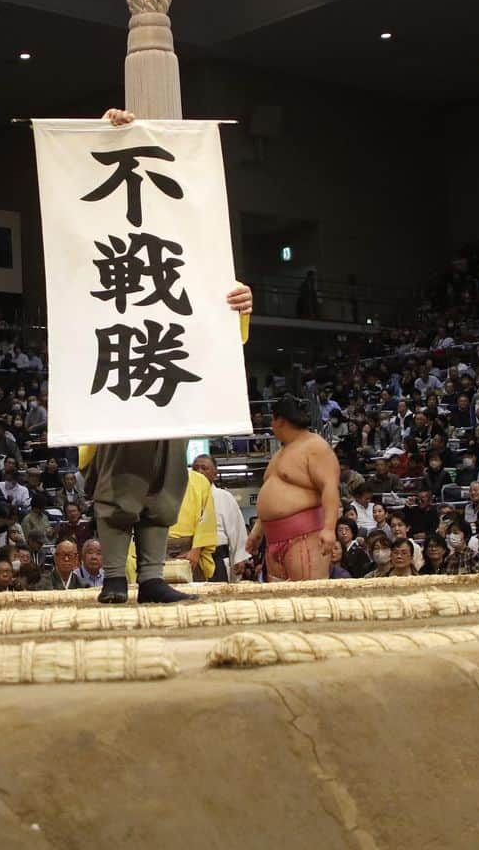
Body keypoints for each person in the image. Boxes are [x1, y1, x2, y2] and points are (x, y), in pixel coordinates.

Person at [81, 107, 254, 606]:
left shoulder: (188, 255)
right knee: (121, 486)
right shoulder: (104, 229)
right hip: (119, 370)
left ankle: (152, 576)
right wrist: (115, 133)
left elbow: (217, 340)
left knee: (164, 486)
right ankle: (115, 577)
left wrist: (238, 308)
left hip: (169, 376)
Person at [244, 396, 340, 582]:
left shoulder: (315, 446)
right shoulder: (280, 453)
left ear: (280, 420)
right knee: (283, 603)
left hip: (305, 537)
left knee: (308, 600)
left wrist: (329, 529)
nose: (271, 425)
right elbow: (271, 498)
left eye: (272, 420)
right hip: (273, 539)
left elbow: (329, 487)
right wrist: (257, 532)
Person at [192, 454, 248, 582]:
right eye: (196, 468)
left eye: (204, 468)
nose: (199, 472)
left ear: (215, 473)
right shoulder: (184, 497)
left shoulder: (224, 496)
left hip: (218, 556)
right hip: (191, 557)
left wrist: (239, 558)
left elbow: (237, 528)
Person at [166, 466, 218, 581]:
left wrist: (196, 550)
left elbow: (207, 518)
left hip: (191, 547)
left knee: (195, 595)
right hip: (156, 547)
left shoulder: (200, 481)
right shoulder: (147, 480)